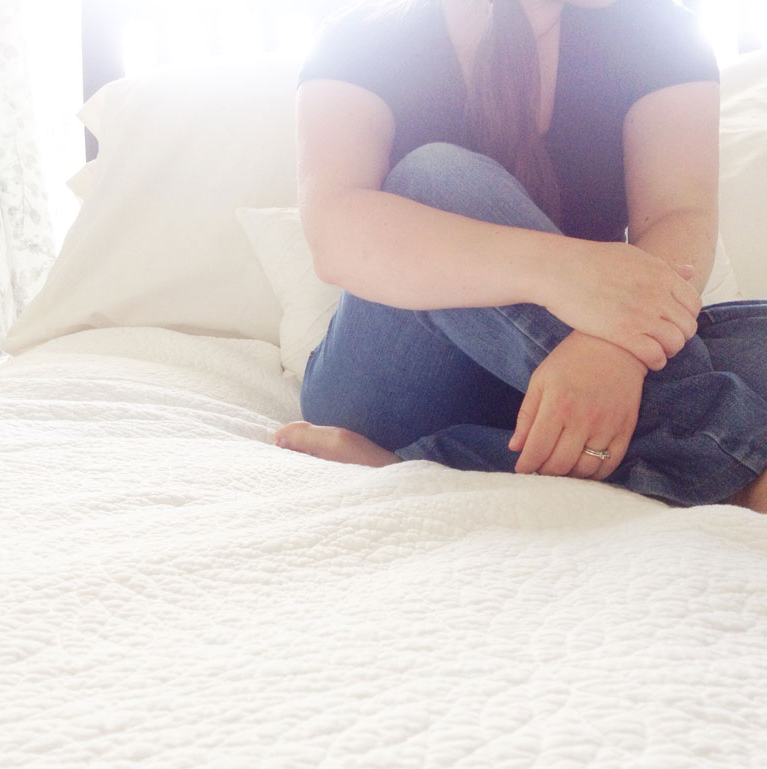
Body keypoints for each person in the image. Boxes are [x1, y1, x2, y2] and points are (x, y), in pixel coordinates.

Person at [273, 0, 767, 512]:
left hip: (584, 378)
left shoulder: (661, 28)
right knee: (435, 179)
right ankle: (740, 471)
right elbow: (335, 235)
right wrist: (568, 278)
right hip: (393, 382)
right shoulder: (361, 38)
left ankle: (434, 462)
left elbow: (679, 216)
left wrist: (610, 350)